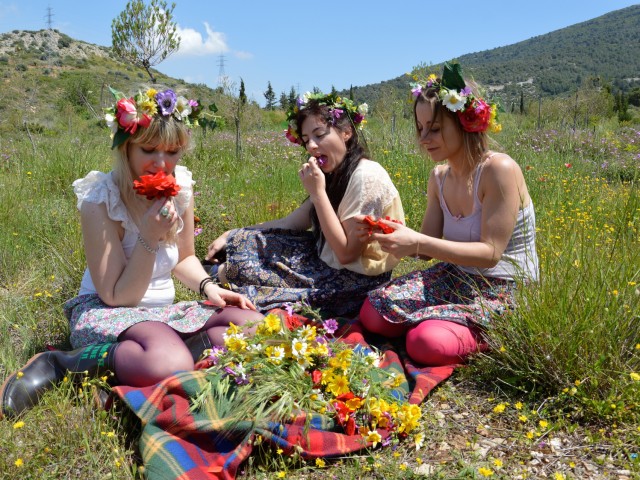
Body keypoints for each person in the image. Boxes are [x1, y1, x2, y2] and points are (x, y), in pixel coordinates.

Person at [1, 87, 263, 418]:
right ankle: (59, 364)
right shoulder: (100, 199)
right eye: (150, 150)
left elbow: (184, 259)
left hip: (160, 316)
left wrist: (211, 289)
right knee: (169, 362)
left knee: (257, 328)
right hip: (107, 310)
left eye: (173, 152)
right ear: (126, 148)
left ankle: (165, 356)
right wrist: (150, 237)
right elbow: (116, 295)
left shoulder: (180, 187)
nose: (162, 162)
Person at [358, 62, 539, 366]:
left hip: (502, 286)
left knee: (425, 343)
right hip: (456, 276)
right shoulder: (439, 177)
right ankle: (442, 322)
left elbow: (490, 253)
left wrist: (417, 243)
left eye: (436, 128)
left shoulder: (498, 170)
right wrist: (387, 232)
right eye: (420, 128)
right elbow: (427, 247)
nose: (424, 137)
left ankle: (491, 334)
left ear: (466, 122)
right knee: (373, 313)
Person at [204, 92, 405, 317]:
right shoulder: (335, 173)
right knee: (252, 240)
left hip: (354, 282)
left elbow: (346, 254)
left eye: (319, 134)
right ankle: (215, 273)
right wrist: (231, 233)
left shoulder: (366, 177)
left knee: (249, 269)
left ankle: (215, 275)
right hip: (327, 262)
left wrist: (318, 194)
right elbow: (292, 222)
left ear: (346, 132)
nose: (311, 145)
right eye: (307, 139)